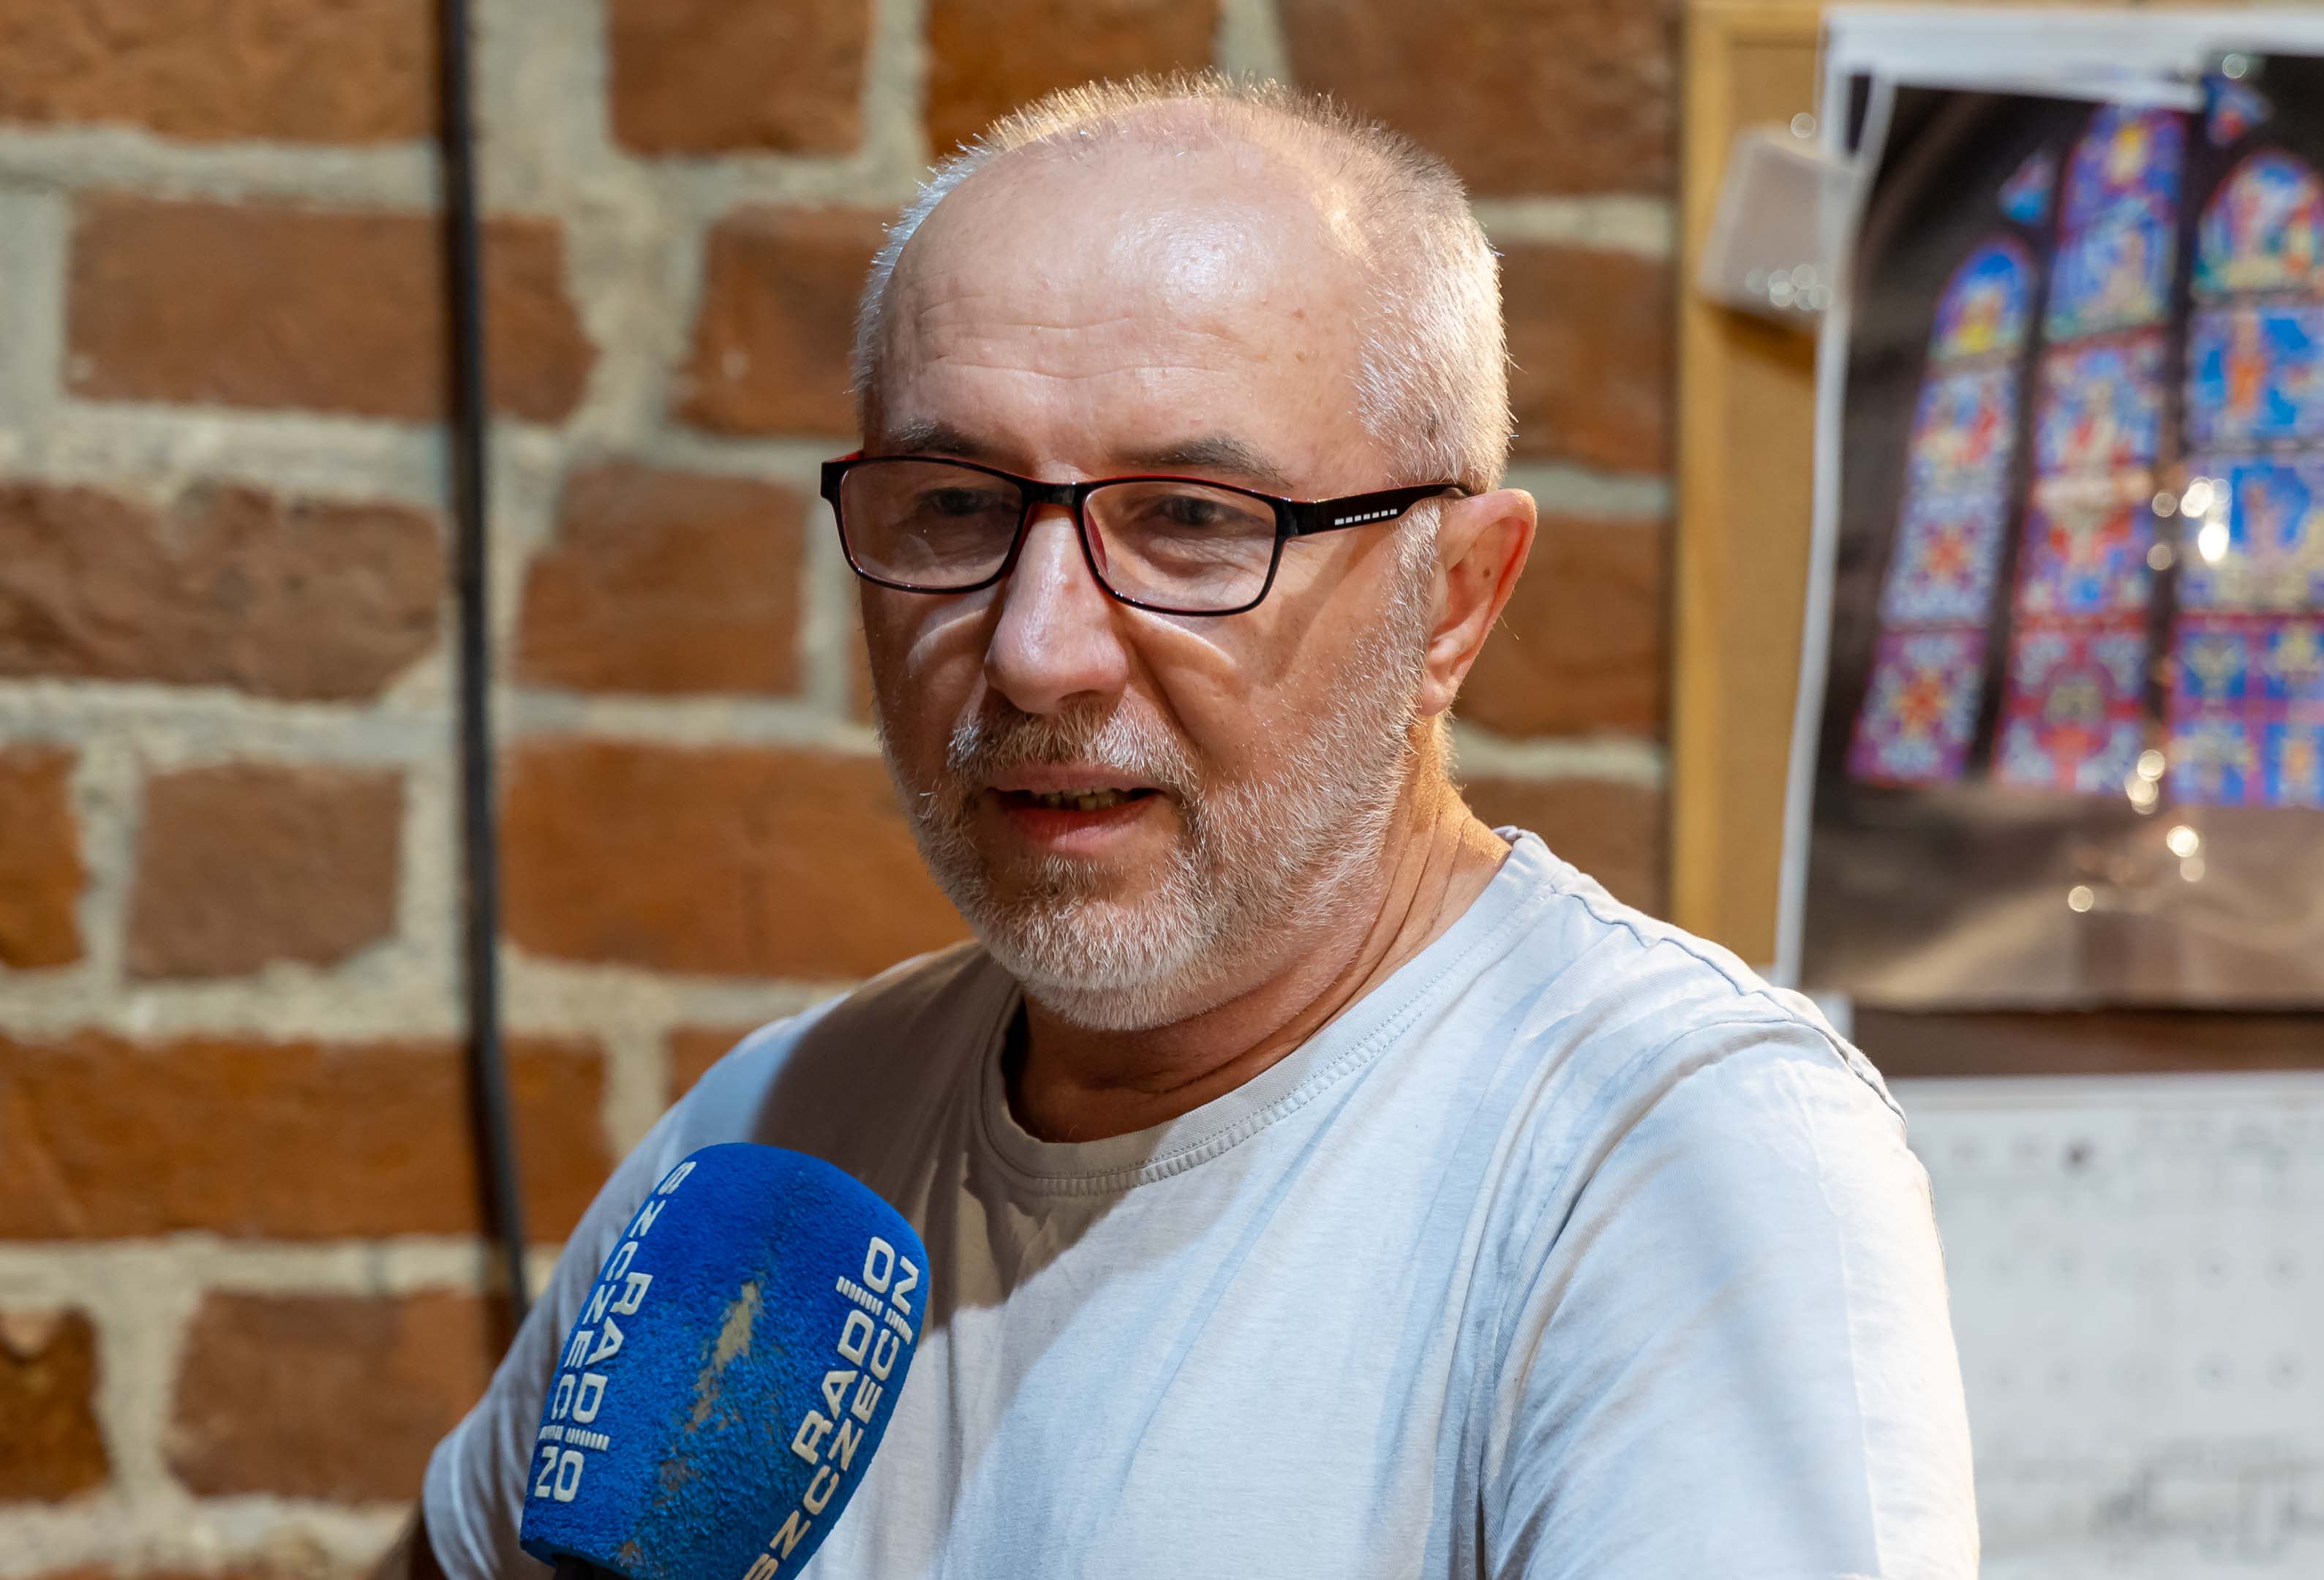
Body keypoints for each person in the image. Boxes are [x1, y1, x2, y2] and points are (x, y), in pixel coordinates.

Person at [391, 75, 1976, 1580]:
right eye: (955, 506)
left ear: (1455, 599)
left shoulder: (1669, 1161)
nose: (1038, 651)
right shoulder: (773, 1140)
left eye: (1197, 524)